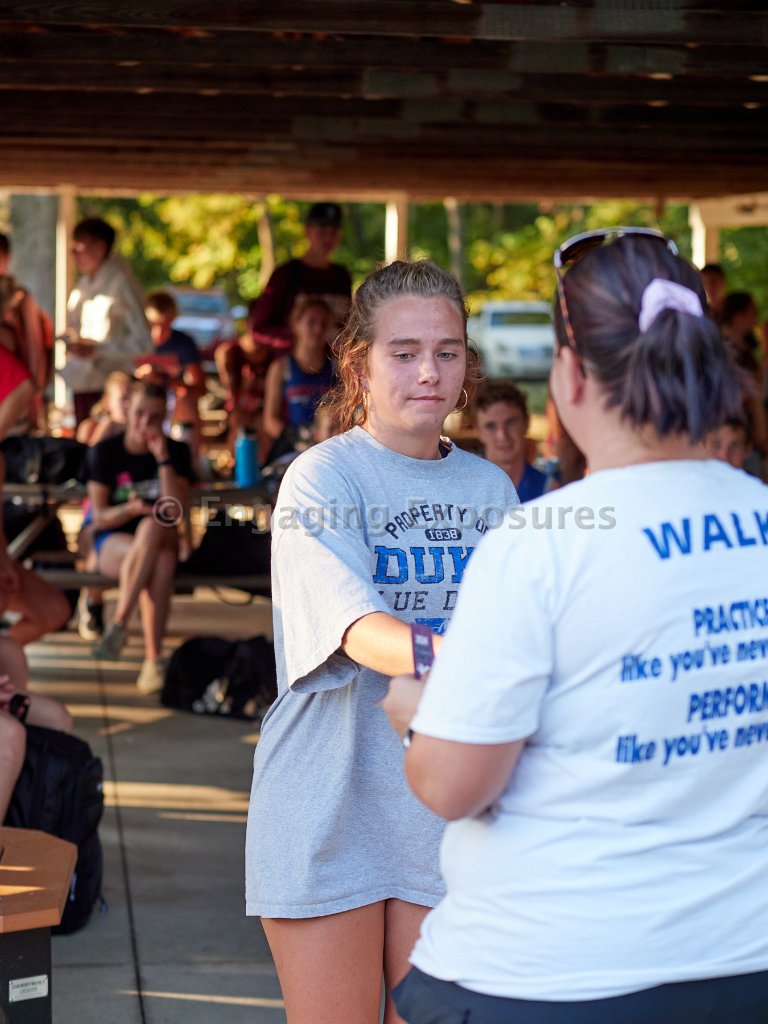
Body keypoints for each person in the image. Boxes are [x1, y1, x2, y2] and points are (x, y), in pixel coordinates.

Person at [382, 229, 768, 1024]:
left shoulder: (542, 543)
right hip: (746, 958)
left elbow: (453, 785)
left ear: (571, 376)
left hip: (550, 972)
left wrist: (418, 716)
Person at [245, 259, 517, 1024]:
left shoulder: (491, 489)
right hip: (330, 800)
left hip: (446, 804)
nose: (429, 372)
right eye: (405, 353)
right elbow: (361, 631)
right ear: (359, 366)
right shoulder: (321, 479)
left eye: (447, 351)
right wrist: (477, 662)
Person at [85, 381, 194, 693]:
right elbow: (99, 516)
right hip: (115, 540)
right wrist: (130, 509)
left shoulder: (176, 452)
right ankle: (152, 660)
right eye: (140, 413)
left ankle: (119, 622)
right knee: (159, 561)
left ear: (165, 418)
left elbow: (173, 511)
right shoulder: (104, 451)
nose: (146, 422)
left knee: (154, 526)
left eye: (155, 417)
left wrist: (163, 460)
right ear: (127, 410)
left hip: (162, 535)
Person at [64, 217, 151, 425]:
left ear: (100, 248)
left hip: (114, 391)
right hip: (83, 382)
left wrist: (97, 349)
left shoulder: (121, 284)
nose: (73, 256)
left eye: (79, 249)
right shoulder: (84, 284)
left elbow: (144, 343)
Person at [248, 202, 352, 354]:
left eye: (334, 232)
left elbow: (347, 325)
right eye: (322, 231)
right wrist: (299, 338)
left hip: (333, 364)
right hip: (293, 363)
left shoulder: (341, 276)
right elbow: (259, 329)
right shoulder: (286, 274)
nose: (328, 237)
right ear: (307, 231)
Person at [76, 371, 133, 640]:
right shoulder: (93, 428)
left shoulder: (142, 432)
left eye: (132, 398)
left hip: (130, 514)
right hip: (95, 514)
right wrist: (108, 427)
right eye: (123, 399)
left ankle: (119, 616)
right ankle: (93, 603)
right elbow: (86, 466)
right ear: (107, 401)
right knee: (94, 552)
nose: (128, 405)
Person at [261, 295, 336, 463]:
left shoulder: (338, 368)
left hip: (329, 449)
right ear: (296, 325)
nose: (318, 329)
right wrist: (300, 437)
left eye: (324, 323)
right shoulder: (281, 368)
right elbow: (270, 421)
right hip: (291, 449)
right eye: (311, 322)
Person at [139, 290, 206, 462]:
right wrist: (142, 376)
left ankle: (189, 462)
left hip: (173, 401)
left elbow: (199, 387)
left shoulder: (183, 343)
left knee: (186, 402)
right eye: (153, 324)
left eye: (164, 324)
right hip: (141, 399)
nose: (158, 331)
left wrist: (171, 381)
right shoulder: (135, 342)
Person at [0, 232, 53, 430]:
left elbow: (34, 351)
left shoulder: (20, 299)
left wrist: (33, 401)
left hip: (16, 397)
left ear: (6, 258)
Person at [473, 380, 547, 501]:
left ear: (527, 423)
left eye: (510, 423)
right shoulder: (463, 491)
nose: (502, 435)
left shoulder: (549, 491)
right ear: (479, 431)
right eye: (491, 426)